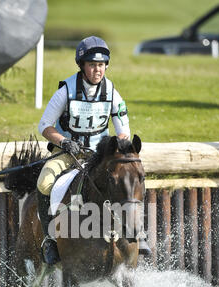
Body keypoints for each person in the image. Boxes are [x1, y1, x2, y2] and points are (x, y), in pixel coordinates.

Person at [37, 35, 151, 264]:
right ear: (82, 66)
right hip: (67, 153)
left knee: (130, 180)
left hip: (100, 156)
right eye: (92, 65)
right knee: (44, 182)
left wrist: (114, 151)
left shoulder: (112, 93)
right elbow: (44, 126)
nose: (97, 70)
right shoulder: (66, 91)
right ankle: (50, 239)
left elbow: (123, 132)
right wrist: (64, 141)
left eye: (101, 65)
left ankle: (137, 232)